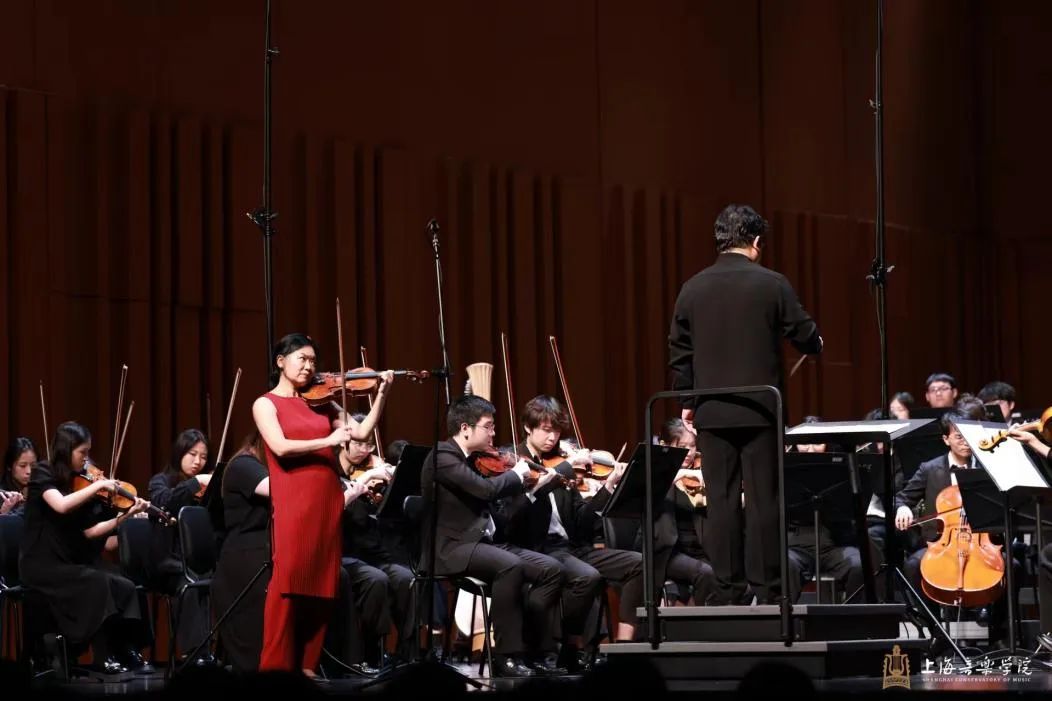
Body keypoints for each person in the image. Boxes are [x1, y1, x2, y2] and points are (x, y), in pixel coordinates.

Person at [668, 203, 822, 605]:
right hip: (761, 410)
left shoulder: (692, 287)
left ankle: (728, 592)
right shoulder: (772, 283)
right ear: (755, 241)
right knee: (763, 500)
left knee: (721, 502)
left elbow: (679, 350)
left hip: (712, 410)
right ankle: (770, 591)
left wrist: (688, 400)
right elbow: (805, 333)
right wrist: (816, 342)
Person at [252, 332, 393, 677]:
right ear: (281, 361)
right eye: (302, 358)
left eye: (313, 360)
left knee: (322, 585)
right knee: (288, 582)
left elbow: (361, 433)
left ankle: (307, 665)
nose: (309, 366)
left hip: (326, 499)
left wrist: (382, 395)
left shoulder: (323, 402)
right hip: (295, 499)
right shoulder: (266, 403)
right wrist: (327, 440)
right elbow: (280, 446)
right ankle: (275, 668)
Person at [420, 394, 563, 678]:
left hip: (482, 544)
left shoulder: (475, 460)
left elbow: (498, 511)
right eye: (488, 426)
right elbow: (485, 490)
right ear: (465, 428)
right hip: (451, 548)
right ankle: (504, 655)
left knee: (551, 569)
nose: (493, 433)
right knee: (511, 566)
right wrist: (518, 474)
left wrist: (532, 490)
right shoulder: (442, 457)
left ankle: (534, 648)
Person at [501, 395, 639, 672]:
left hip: (572, 546)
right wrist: (556, 473)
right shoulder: (514, 461)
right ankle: (568, 644)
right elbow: (514, 515)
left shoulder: (563, 463)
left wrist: (607, 488)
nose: (552, 437)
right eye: (545, 430)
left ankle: (625, 648)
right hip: (538, 549)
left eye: (556, 431)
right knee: (587, 576)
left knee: (638, 563)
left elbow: (581, 521)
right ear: (528, 427)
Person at [18, 422, 151, 676]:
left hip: (67, 560)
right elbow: (61, 505)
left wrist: (125, 517)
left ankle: (126, 648)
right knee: (97, 583)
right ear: (67, 450)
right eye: (83, 452)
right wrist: (98, 486)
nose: (87, 459)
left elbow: (89, 532)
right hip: (40, 563)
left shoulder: (76, 483)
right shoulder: (43, 473)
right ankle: (102, 655)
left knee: (123, 583)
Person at [148, 429, 212, 661]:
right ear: (179, 453)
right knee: (190, 583)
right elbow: (163, 502)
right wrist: (195, 483)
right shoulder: (160, 481)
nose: (198, 462)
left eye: (203, 457)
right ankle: (196, 653)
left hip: (199, 562)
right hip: (168, 563)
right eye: (192, 454)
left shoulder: (206, 490)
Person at [653, 418, 717, 607]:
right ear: (665, 445)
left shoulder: (699, 471)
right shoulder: (655, 472)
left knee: (732, 575)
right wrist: (678, 474)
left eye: (692, 446)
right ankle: (697, 621)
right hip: (666, 552)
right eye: (682, 446)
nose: (689, 452)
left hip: (698, 549)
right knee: (706, 573)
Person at [1, 437, 36, 516]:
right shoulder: (3, 495)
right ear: (9, 466)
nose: (29, 471)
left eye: (33, 465)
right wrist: (4, 513)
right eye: (22, 465)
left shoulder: (42, 489)